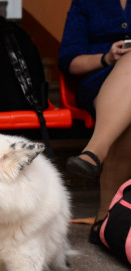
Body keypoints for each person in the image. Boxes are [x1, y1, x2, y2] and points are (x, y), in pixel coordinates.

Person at [59, 0, 131, 244]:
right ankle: (108, 221)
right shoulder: (86, 2)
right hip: (99, 81)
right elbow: (69, 61)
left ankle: (93, 154)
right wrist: (107, 57)